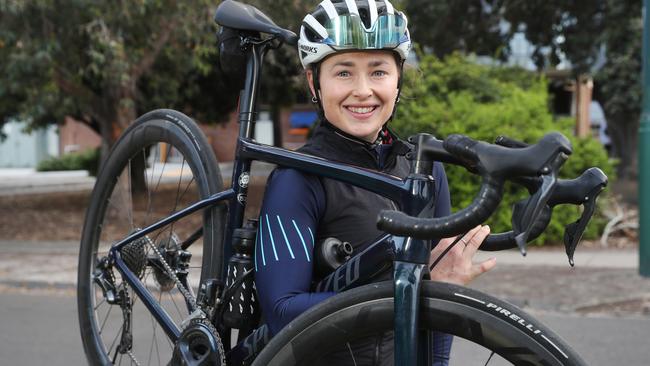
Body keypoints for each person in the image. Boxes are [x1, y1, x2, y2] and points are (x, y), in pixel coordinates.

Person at [254, 0, 496, 364]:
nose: (363, 90)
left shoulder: (426, 172)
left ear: (398, 78)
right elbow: (282, 312)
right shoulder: (298, 178)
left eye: (379, 72)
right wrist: (414, 291)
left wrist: (441, 292)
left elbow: (435, 320)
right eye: (344, 73)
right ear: (313, 82)